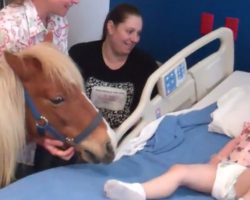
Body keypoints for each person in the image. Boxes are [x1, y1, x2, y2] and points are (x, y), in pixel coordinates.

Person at [0, 0, 79, 176]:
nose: (77, 1)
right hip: (11, 154)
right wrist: (35, 135)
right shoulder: (7, 27)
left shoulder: (59, 23)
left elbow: (60, 85)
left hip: (43, 145)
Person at [104, 122, 250, 200]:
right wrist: (218, 158)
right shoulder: (247, 129)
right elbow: (234, 142)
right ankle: (139, 191)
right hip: (227, 172)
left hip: (245, 178)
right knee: (179, 170)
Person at [69, 3, 158, 130]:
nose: (135, 39)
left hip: (126, 142)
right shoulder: (80, 56)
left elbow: (152, 113)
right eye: (129, 31)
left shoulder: (145, 65)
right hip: (84, 135)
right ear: (110, 27)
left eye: (138, 33)